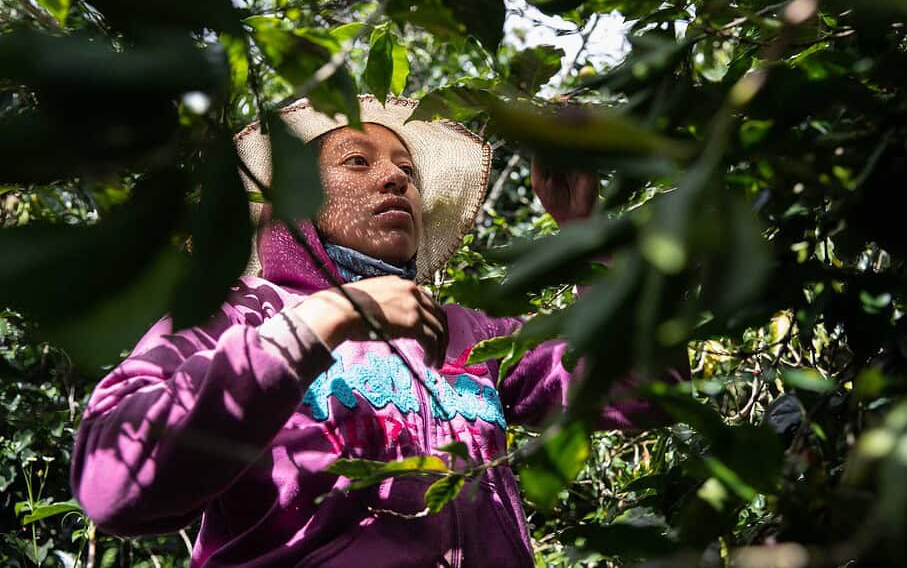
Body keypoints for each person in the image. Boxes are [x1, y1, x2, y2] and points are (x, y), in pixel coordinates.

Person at [71, 95, 680, 567]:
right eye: (357, 161)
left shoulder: (468, 333)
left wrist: (585, 233)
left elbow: (645, 387)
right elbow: (111, 479)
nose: (396, 180)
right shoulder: (234, 315)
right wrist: (322, 320)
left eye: (407, 170)